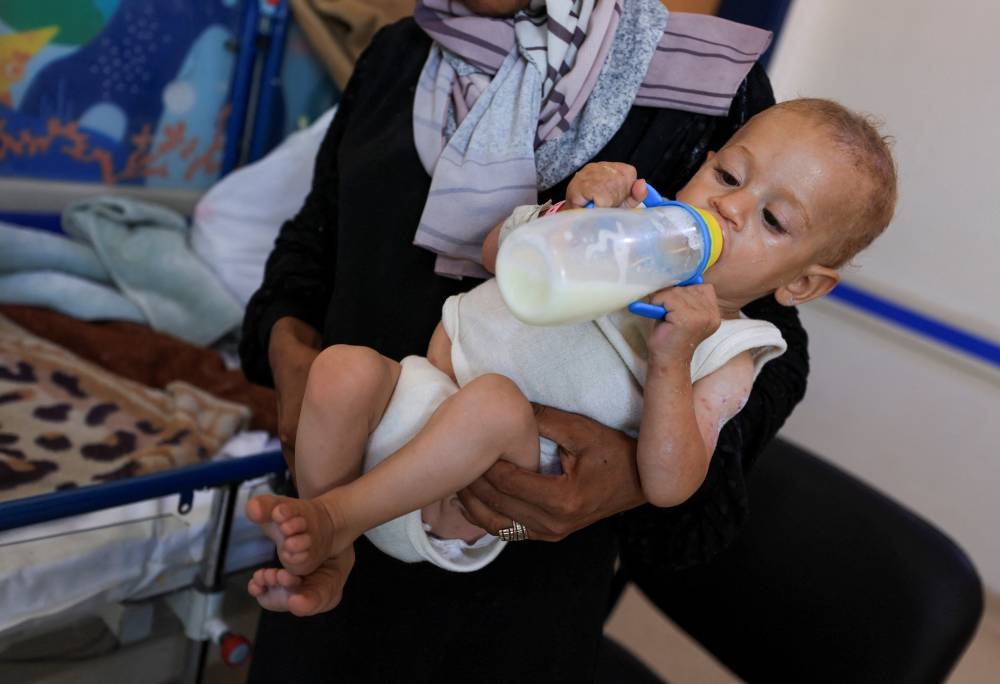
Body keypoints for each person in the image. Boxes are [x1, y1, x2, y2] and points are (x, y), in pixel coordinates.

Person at [240, 1, 817, 680]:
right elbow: (311, 247)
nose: (734, 199)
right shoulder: (405, 50)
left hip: (508, 576)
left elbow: (761, 348)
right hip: (332, 508)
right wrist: (294, 358)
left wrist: (629, 477)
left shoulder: (704, 82)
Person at [244, 98, 897, 616]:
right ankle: (331, 554)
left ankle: (334, 518)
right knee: (341, 367)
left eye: (773, 221)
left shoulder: (729, 348)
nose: (728, 206)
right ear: (703, 163)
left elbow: (671, 485)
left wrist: (672, 362)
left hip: (475, 493)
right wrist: (570, 213)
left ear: (801, 285)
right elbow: (498, 255)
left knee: (494, 403)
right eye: (727, 176)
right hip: (406, 404)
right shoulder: (623, 226)